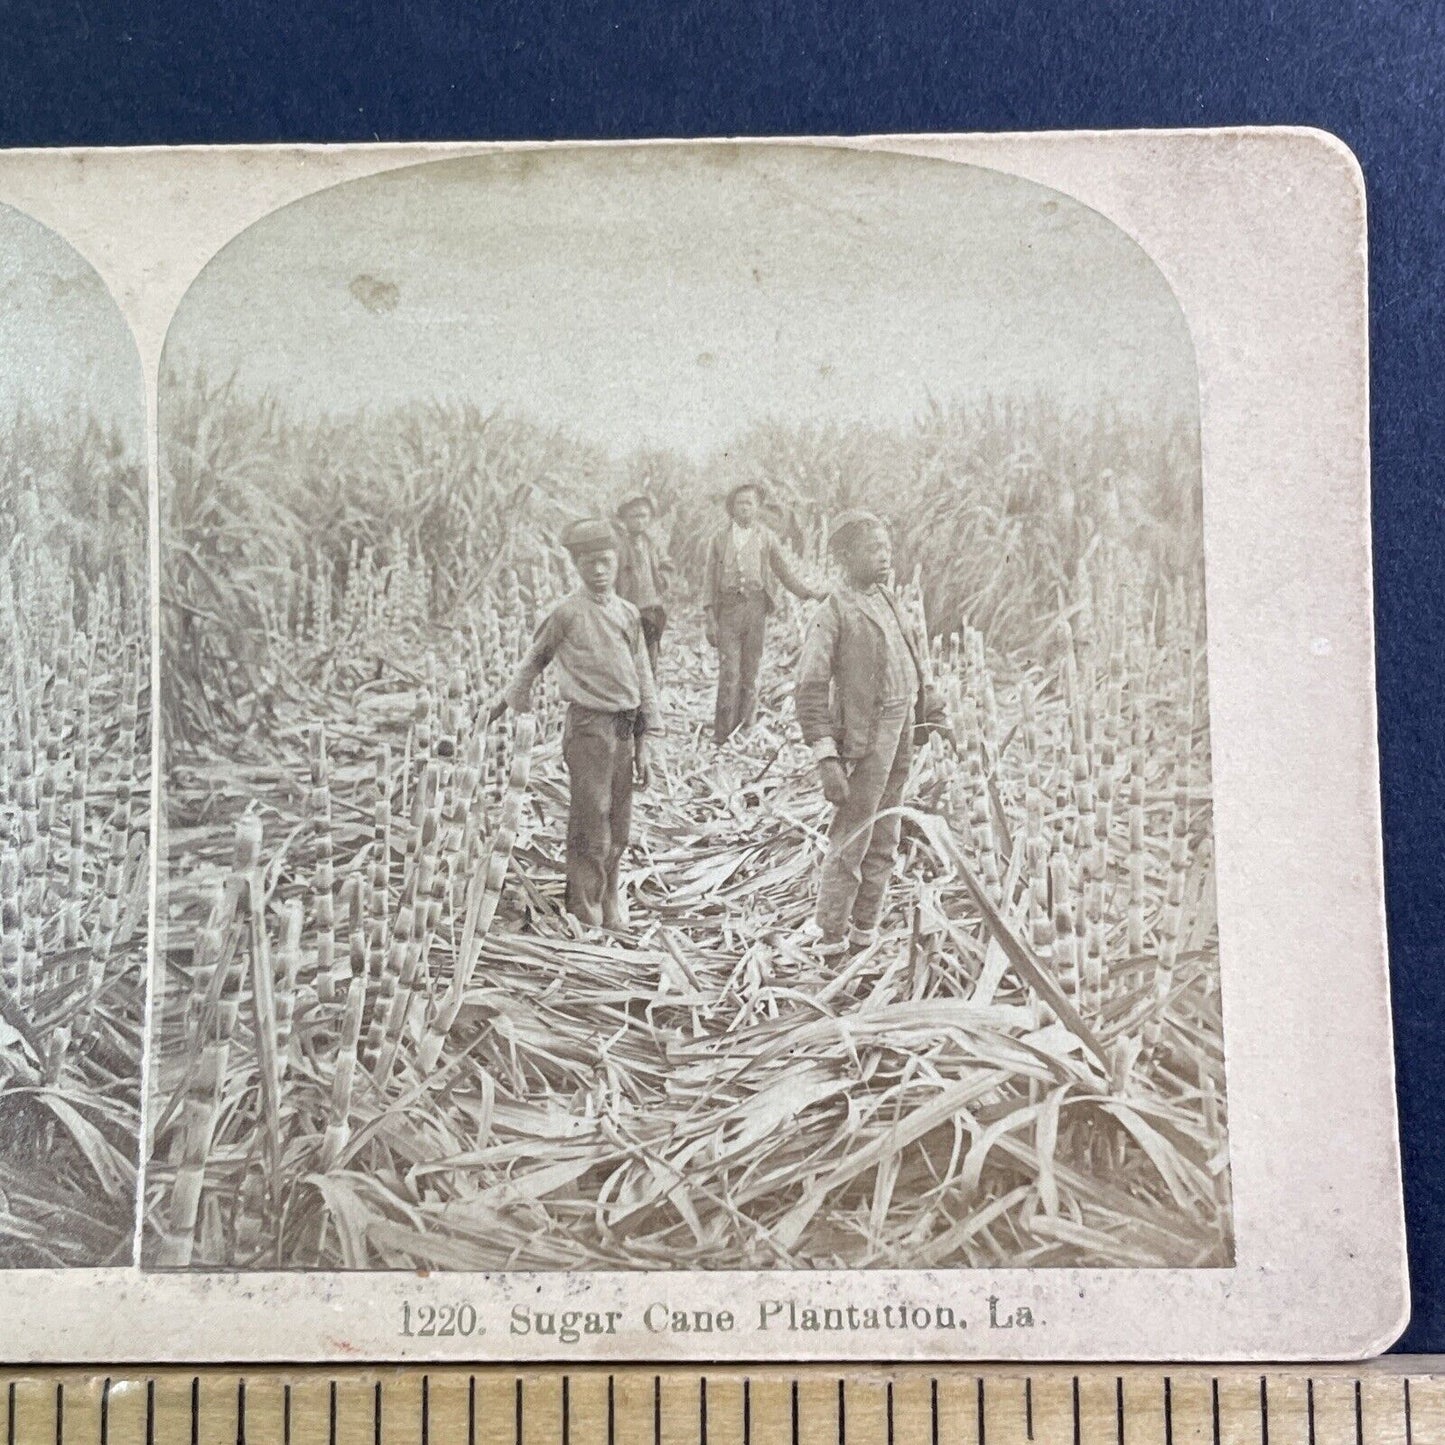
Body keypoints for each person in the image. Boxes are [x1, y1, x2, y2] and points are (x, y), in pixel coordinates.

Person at [489, 518, 660, 929]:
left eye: (604, 561)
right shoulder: (567, 613)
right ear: (576, 566)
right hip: (588, 727)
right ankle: (585, 908)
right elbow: (534, 659)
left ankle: (610, 897)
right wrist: (508, 702)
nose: (598, 570)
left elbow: (643, 674)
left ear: (617, 561)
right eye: (588, 563)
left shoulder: (628, 614)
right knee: (591, 817)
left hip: (624, 724)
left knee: (619, 821)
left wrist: (648, 736)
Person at [794, 510, 948, 959]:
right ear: (844, 556)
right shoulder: (834, 611)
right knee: (853, 836)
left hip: (901, 730)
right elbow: (809, 687)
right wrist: (826, 757)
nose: (885, 557)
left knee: (887, 833)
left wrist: (933, 712)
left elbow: (916, 662)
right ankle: (830, 936)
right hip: (864, 740)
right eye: (873, 549)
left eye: (886, 547)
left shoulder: (887, 598)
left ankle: (865, 929)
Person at [702, 480, 824, 745]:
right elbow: (709, 579)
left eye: (750, 503)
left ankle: (746, 727)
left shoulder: (766, 538)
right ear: (731, 508)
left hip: (756, 610)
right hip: (729, 611)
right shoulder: (720, 539)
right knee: (729, 673)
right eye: (740, 503)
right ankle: (723, 734)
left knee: (751, 671)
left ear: (757, 507)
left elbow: (784, 571)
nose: (744, 508)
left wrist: (808, 593)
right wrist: (709, 616)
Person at [613, 491, 671, 680]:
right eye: (634, 516)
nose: (639, 521)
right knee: (628, 658)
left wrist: (663, 579)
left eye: (643, 515)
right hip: (626, 609)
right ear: (624, 519)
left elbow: (666, 564)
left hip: (651, 609)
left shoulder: (653, 544)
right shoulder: (618, 546)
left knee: (651, 655)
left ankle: (649, 700)